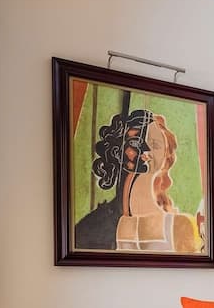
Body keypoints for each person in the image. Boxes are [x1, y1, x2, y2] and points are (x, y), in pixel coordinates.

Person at [74, 108, 200, 253]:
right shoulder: (93, 226)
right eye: (135, 142)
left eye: (155, 144)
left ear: (165, 158)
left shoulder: (180, 226)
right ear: (118, 151)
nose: (145, 150)